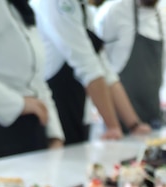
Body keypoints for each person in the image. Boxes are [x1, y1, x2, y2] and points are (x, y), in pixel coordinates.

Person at [31, 0, 151, 145]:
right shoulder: (57, 3)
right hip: (52, 114)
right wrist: (113, 127)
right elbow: (87, 66)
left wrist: (134, 125)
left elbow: (106, 72)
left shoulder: (83, 9)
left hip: (75, 111)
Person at [0, 0, 64, 162]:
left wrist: (54, 135)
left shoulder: (23, 10)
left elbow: (38, 80)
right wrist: (19, 103)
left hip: (34, 130)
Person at [94, 0, 166, 129]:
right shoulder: (114, 12)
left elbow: (162, 68)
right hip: (116, 117)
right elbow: (99, 65)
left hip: (151, 116)